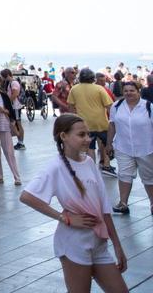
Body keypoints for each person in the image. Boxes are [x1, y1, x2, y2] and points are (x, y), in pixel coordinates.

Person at [19, 114, 129, 293]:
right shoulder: (55, 167)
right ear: (63, 136)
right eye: (81, 135)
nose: (88, 139)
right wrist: (65, 218)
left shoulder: (89, 162)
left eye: (88, 134)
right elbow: (27, 196)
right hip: (74, 243)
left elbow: (104, 208)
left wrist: (117, 245)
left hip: (99, 243)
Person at [107, 80, 153, 217]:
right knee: (124, 174)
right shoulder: (117, 106)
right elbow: (112, 125)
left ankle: (152, 203)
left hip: (146, 148)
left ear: (138, 91)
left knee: (149, 177)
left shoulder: (148, 107)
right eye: (126, 91)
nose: (128, 93)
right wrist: (109, 144)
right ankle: (123, 203)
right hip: (123, 147)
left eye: (132, 90)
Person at [69, 68, 115, 175]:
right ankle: (106, 165)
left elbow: (71, 107)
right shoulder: (99, 89)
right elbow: (109, 106)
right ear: (92, 78)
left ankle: (91, 169)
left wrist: (73, 121)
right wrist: (114, 120)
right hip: (101, 122)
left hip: (84, 123)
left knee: (89, 147)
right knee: (106, 144)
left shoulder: (74, 89)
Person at [1, 69, 26, 150]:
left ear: (7, 75)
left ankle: (21, 142)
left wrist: (8, 103)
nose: (3, 78)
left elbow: (15, 94)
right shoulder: (11, 83)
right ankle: (19, 142)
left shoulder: (13, 83)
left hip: (15, 106)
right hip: (15, 106)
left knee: (18, 124)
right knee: (17, 124)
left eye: (4, 76)